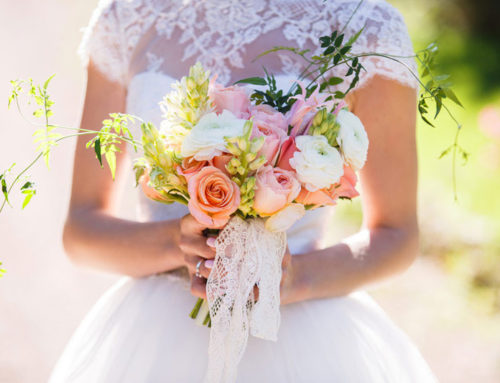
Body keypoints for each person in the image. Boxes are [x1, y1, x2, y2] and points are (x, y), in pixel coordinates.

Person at [50, 0, 438, 381]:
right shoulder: (127, 17)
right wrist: (179, 244)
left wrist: (291, 277)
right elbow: (81, 232)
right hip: (154, 341)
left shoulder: (364, 25)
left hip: (304, 337)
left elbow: (397, 234)